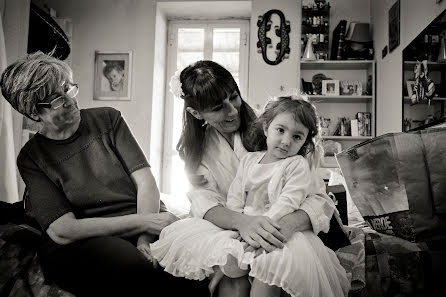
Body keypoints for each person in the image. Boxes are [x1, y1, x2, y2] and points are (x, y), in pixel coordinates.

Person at [0, 51, 210, 297]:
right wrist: (143, 222)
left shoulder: (108, 119)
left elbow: (146, 183)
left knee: (193, 270)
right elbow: (63, 229)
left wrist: (145, 237)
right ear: (35, 113)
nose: (69, 100)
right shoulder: (32, 157)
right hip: (87, 238)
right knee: (133, 269)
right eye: (56, 100)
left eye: (67, 89)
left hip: (144, 219)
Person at [151, 60, 340, 296]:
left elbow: (318, 199)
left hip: (280, 223)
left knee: (272, 270)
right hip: (232, 227)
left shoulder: (276, 129)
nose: (232, 110)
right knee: (234, 283)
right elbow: (205, 203)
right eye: (218, 107)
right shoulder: (196, 153)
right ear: (196, 113)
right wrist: (242, 224)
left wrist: (279, 227)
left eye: (234, 97)